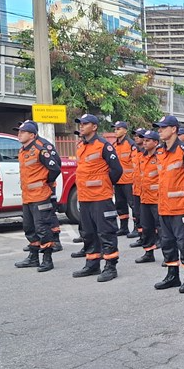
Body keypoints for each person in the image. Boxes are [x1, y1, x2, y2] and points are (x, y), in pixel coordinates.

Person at [151, 115, 184, 293]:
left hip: (182, 207)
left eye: (163, 127)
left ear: (173, 129)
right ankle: (172, 276)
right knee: (167, 243)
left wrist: (182, 192)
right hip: (164, 207)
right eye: (159, 127)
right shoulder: (160, 151)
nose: (159, 131)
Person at [72, 114, 124, 282]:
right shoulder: (81, 146)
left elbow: (117, 170)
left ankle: (110, 266)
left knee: (106, 232)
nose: (81, 126)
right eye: (80, 124)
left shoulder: (103, 146)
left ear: (94, 127)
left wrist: (105, 184)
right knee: (88, 233)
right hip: (85, 198)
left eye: (85, 124)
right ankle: (92, 264)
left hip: (101, 197)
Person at [13, 121, 61, 272]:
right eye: (19, 131)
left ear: (32, 135)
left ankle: (47, 259)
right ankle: (33, 257)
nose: (19, 134)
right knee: (29, 228)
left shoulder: (40, 149)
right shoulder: (22, 151)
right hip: (27, 197)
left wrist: (47, 182)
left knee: (42, 228)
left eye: (23, 132)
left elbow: (55, 168)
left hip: (40, 195)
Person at [134, 130, 161, 264]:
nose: (144, 143)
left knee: (162, 228)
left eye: (147, 140)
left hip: (157, 198)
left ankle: (169, 256)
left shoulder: (160, 157)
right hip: (144, 198)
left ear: (155, 142)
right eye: (144, 140)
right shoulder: (142, 157)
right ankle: (148, 253)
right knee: (146, 228)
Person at [111, 121, 137, 237]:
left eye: (118, 129)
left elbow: (135, 164)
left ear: (125, 131)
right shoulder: (114, 146)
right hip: (118, 180)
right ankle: (123, 227)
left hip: (129, 181)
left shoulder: (131, 145)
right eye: (115, 129)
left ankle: (137, 227)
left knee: (133, 205)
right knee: (120, 205)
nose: (115, 131)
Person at [129, 127, 147, 247]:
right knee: (138, 215)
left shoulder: (150, 152)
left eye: (139, 136)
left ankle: (156, 238)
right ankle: (141, 237)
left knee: (150, 218)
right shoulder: (134, 151)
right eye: (135, 135)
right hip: (136, 189)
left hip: (148, 191)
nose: (136, 137)